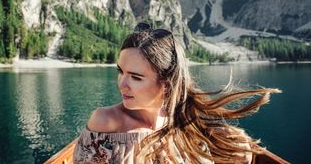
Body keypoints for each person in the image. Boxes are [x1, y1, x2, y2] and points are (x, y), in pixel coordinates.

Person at [73, 22, 280, 164]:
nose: (122, 84)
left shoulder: (185, 123)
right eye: (120, 71)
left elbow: (241, 152)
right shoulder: (106, 122)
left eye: (135, 77)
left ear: (167, 84)